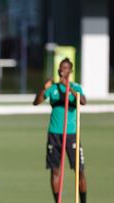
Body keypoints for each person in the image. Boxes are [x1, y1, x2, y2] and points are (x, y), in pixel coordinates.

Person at [33, 58, 87, 203]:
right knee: (55, 170)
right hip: (54, 134)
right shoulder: (53, 88)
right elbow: (36, 102)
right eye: (61, 67)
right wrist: (44, 88)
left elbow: (82, 101)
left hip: (71, 135)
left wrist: (67, 86)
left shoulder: (76, 87)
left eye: (66, 68)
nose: (63, 70)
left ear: (70, 71)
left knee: (79, 171)